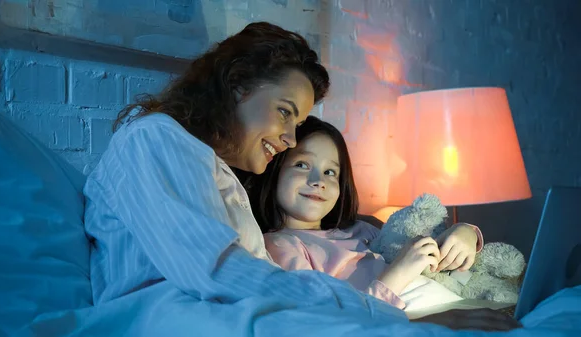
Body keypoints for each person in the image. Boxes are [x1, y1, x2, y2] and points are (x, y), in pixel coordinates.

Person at [83, 21, 519, 332]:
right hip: (175, 317)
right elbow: (218, 273)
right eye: (285, 113)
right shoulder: (155, 139)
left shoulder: (207, 167)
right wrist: (391, 318)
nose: (290, 139)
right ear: (238, 86)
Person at [246, 115, 484, 309]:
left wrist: (465, 232)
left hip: (457, 302)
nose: (318, 180)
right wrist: (398, 273)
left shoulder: (362, 229)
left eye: (331, 172)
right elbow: (324, 320)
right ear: (275, 172)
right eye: (302, 165)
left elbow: (406, 245)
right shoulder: (280, 245)